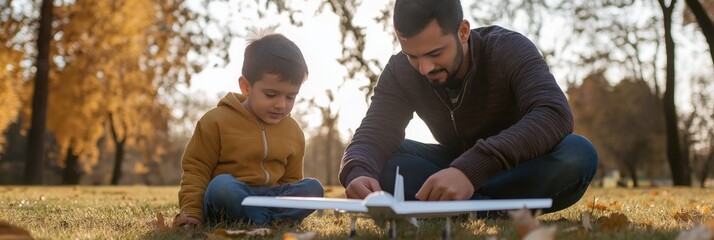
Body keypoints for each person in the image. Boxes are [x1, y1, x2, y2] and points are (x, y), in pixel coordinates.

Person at [339, 0, 598, 215]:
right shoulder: (399, 72)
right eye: (412, 56)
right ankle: (488, 206)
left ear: (463, 32)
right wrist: (358, 171)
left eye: (435, 53)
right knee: (383, 160)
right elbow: (375, 131)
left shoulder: (508, 49)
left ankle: (460, 205)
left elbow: (553, 113)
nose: (424, 68)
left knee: (577, 154)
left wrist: (470, 171)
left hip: (515, 165)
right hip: (449, 165)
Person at [178, 33, 323, 227]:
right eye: (271, 94)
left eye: (290, 97)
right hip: (232, 196)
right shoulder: (215, 121)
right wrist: (193, 213)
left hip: (270, 198)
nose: (281, 104)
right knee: (222, 186)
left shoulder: (293, 131)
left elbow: (291, 180)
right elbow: (196, 170)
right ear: (246, 87)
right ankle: (266, 221)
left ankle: (260, 219)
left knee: (312, 188)